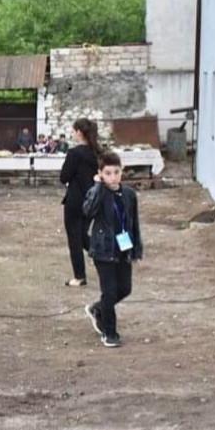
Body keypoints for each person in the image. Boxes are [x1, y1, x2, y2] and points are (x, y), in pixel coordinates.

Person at [83, 151, 143, 348]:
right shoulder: (98, 193)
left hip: (123, 247)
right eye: (108, 173)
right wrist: (98, 187)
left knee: (125, 288)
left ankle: (97, 309)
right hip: (103, 249)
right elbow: (88, 211)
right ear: (100, 174)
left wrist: (136, 249)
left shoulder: (129, 195)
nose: (113, 177)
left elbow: (133, 223)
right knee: (109, 292)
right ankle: (109, 333)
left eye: (116, 172)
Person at [59, 118, 103, 287]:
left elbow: (64, 177)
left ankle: (79, 276)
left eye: (73, 130)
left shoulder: (74, 153)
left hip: (75, 200)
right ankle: (105, 257)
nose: (72, 133)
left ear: (79, 132)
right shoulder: (97, 152)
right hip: (92, 199)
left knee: (74, 239)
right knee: (83, 236)